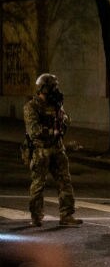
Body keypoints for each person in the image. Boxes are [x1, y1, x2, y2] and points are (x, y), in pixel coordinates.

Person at [24, 73, 83, 227]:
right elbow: (34, 131)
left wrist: (63, 122)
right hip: (41, 150)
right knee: (38, 184)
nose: (55, 90)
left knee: (65, 182)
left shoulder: (56, 104)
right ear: (44, 89)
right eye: (52, 87)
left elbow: (65, 120)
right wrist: (52, 131)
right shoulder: (32, 106)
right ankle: (36, 216)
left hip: (57, 148)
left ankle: (66, 215)